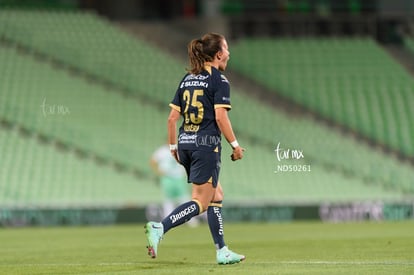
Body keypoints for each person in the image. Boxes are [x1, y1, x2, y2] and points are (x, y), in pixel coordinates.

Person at [144, 32, 245, 265]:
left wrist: (172, 147)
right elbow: (220, 117)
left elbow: (171, 119)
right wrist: (236, 146)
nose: (229, 52)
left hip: (185, 144)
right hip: (206, 145)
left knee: (216, 195)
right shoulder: (219, 80)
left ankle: (222, 251)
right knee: (200, 202)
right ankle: (160, 227)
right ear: (218, 54)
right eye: (226, 48)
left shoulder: (187, 78)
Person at [149, 143, 200, 227]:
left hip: (179, 177)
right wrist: (159, 171)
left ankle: (191, 220)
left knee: (184, 199)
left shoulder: (180, 149)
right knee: (168, 200)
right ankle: (167, 222)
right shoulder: (162, 151)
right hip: (167, 178)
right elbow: (153, 161)